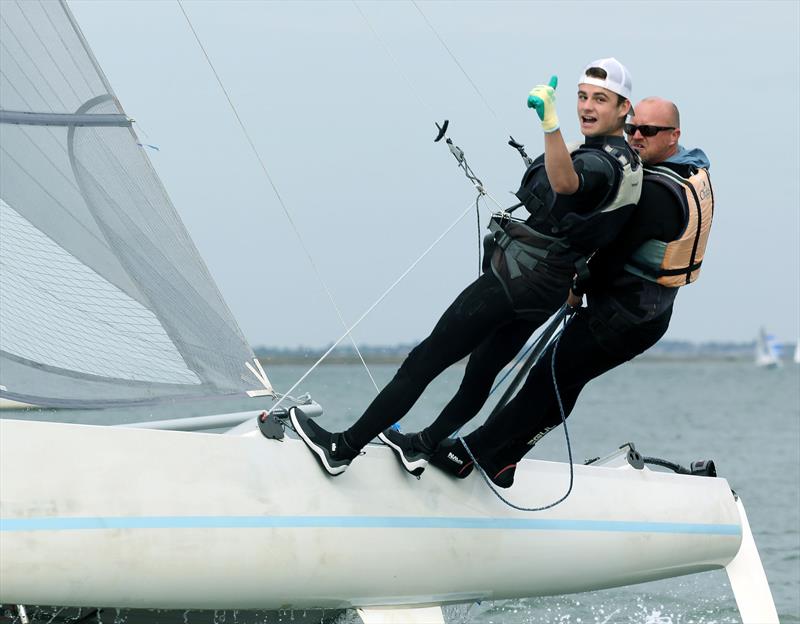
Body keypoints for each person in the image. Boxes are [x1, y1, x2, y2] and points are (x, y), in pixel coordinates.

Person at [292, 58, 642, 477]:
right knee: (481, 372)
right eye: (582, 97)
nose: (587, 106)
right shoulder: (632, 165)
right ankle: (423, 445)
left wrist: (551, 125)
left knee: (425, 361)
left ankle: (342, 448)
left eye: (600, 100)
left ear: (624, 108)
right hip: (547, 291)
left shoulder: (599, 162)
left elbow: (568, 183)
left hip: (516, 280)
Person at [429, 96, 715, 488]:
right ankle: (504, 461)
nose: (635, 137)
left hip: (624, 319)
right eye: (632, 127)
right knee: (563, 380)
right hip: (642, 315)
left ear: (674, 136)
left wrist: (575, 284)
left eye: (647, 131)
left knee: (548, 376)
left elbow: (612, 257)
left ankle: (468, 455)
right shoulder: (687, 167)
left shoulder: (661, 195)